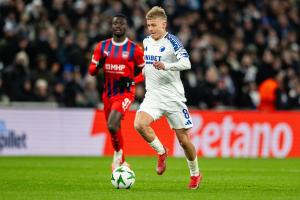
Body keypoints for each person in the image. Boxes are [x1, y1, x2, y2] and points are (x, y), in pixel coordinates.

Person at [134, 6, 202, 189]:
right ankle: (161, 151)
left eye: (154, 25)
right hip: (153, 95)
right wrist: (134, 78)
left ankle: (195, 174)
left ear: (164, 24)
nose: (151, 29)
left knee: (183, 141)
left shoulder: (173, 41)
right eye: (149, 25)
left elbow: (186, 63)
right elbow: (146, 68)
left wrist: (166, 65)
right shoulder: (146, 42)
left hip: (173, 98)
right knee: (139, 124)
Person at [89, 14, 145, 171]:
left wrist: (132, 81)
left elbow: (145, 72)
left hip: (125, 93)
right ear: (111, 26)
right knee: (112, 127)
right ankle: (121, 158)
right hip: (107, 94)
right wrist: (98, 65)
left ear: (126, 26)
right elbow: (91, 71)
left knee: (113, 124)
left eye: (121, 23)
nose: (118, 26)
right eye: (115, 23)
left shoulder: (134, 49)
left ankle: (118, 157)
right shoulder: (102, 46)